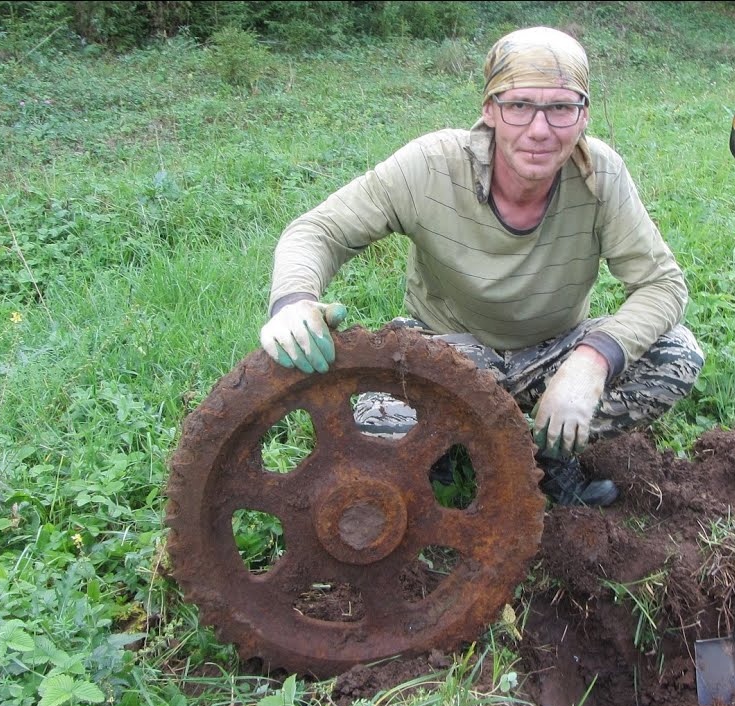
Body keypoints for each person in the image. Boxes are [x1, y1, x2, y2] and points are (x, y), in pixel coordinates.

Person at [259, 26, 704, 507]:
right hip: (444, 351)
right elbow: (318, 231)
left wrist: (591, 362)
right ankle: (455, 447)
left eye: (560, 108)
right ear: (489, 110)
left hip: (550, 352)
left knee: (675, 355)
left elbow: (662, 284)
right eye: (519, 106)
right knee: (376, 427)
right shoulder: (430, 166)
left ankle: (543, 453)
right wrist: (294, 301)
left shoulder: (602, 176)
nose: (540, 129)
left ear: (583, 116)